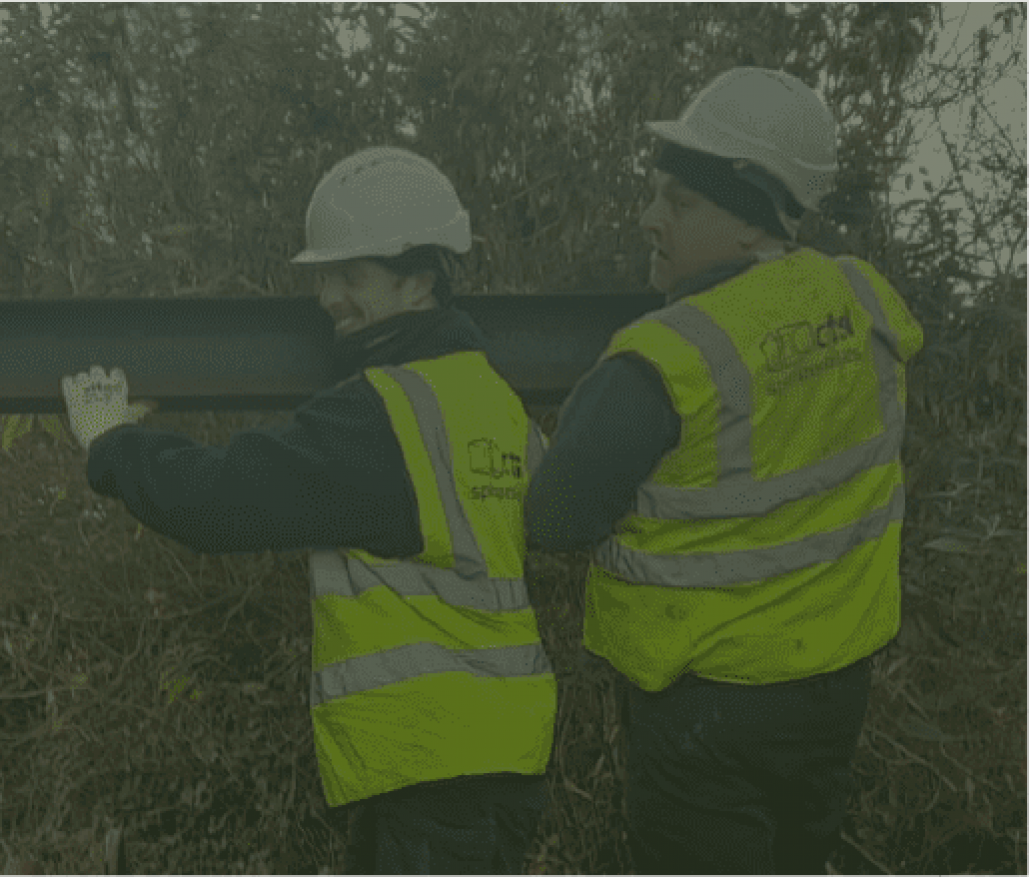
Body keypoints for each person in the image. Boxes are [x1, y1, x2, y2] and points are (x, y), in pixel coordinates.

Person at [61, 147, 555, 876]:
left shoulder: (382, 414)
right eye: (324, 275)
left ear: (419, 277)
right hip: (490, 759)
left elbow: (224, 499)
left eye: (351, 276)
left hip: (431, 764)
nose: (328, 297)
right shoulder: (491, 398)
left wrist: (112, 442)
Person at [523, 68, 925, 876]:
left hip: (707, 706)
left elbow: (553, 518)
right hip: (832, 688)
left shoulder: (665, 359)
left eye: (680, 201)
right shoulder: (862, 297)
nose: (650, 218)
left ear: (750, 222)